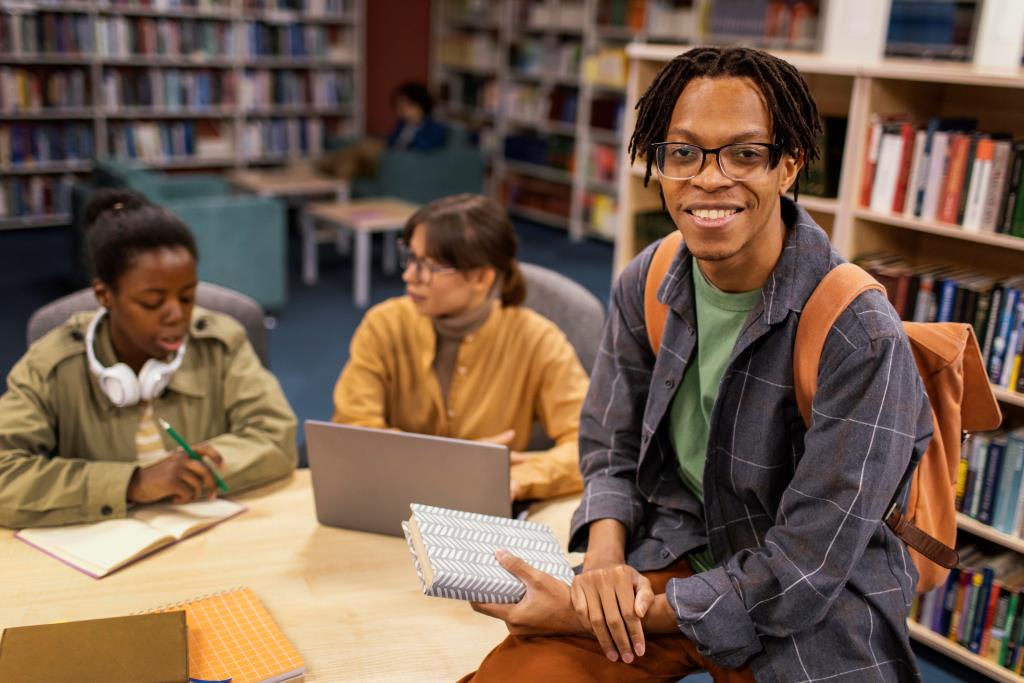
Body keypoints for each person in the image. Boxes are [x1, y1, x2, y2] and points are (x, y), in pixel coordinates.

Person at [461, 46, 933, 681]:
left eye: (744, 154)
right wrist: (601, 559)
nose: (709, 179)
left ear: (788, 166)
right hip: (676, 544)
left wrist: (589, 614)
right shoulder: (649, 275)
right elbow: (609, 443)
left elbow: (803, 570)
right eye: (683, 152)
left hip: (808, 602)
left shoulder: (860, 333)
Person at [0, 189, 297, 529]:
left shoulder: (221, 341)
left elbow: (276, 437)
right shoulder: (51, 363)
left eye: (186, 297)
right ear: (104, 295)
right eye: (152, 302)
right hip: (98, 549)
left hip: (209, 539)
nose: (176, 315)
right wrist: (133, 483)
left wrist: (196, 471)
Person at [332, 194, 588, 502]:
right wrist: (456, 462)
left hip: (486, 503)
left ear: (481, 277)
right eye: (410, 257)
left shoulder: (537, 339)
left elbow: (590, 445)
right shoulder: (384, 323)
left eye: (427, 266)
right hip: (394, 496)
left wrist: (521, 479)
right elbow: (353, 430)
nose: (408, 275)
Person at [387, 81, 448, 151]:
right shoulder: (402, 124)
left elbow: (428, 147)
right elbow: (391, 141)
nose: (399, 112)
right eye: (397, 107)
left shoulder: (435, 126)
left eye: (403, 107)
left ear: (419, 106)